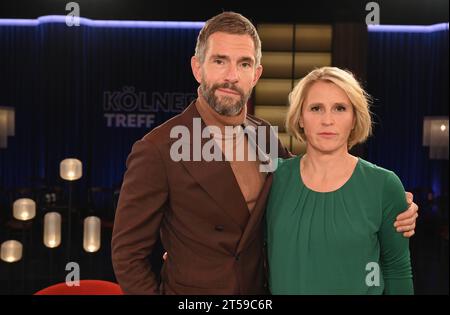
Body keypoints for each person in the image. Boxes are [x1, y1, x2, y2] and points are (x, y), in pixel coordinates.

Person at [111, 12, 418, 295]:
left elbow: (312, 185)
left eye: (243, 63)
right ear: (197, 67)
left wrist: (392, 204)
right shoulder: (157, 149)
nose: (232, 75)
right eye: (220, 61)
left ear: (256, 74)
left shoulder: (265, 137)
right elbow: (128, 255)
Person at [266, 67, 414, 294]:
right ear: (300, 118)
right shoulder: (273, 178)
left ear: (354, 118)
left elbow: (396, 271)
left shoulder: (384, 185)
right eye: (316, 108)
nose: (328, 120)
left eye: (340, 108)